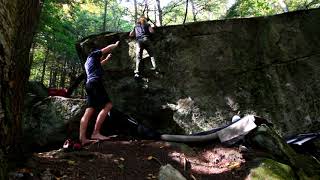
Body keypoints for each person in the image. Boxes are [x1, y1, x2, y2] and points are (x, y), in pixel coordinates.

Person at [79, 41, 119, 146]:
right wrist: (116, 44)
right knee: (108, 104)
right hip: (96, 83)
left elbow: (99, 65)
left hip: (89, 85)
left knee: (89, 111)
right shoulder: (94, 53)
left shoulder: (88, 62)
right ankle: (95, 133)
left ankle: (82, 138)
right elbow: (107, 48)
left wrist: (106, 59)